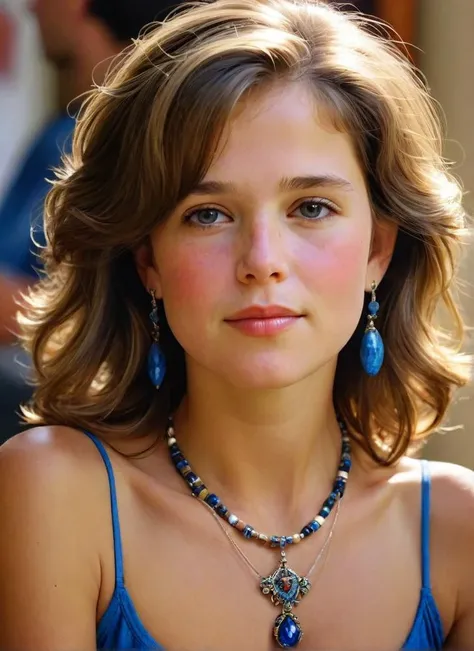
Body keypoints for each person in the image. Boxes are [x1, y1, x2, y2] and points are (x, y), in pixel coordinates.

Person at [0, 0, 473, 649]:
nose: (262, 263)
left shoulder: (458, 527)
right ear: (148, 261)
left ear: (378, 250)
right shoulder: (53, 491)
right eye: (208, 214)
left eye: (310, 207)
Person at [0, 0, 183, 440]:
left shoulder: (147, 138)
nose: (29, 7)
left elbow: (98, 307)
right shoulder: (58, 132)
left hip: (94, 398)